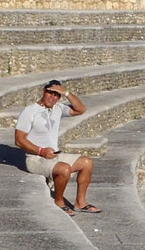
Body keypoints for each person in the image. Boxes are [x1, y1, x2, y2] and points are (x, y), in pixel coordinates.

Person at [14, 80, 100, 217]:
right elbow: (19, 140)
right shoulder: (30, 111)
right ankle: (59, 201)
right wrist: (41, 151)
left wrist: (66, 93)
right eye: (50, 93)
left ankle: (81, 203)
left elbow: (81, 109)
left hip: (54, 154)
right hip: (35, 158)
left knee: (86, 163)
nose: (52, 97)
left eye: (56, 95)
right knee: (64, 169)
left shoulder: (58, 108)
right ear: (43, 91)